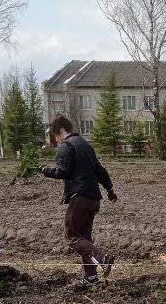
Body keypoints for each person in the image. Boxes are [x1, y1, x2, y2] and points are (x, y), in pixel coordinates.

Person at [41, 114, 117, 286]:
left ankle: (103, 258)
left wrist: (45, 170)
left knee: (71, 237)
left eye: (54, 134)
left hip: (80, 198)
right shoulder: (86, 145)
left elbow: (62, 172)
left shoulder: (66, 146)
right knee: (84, 239)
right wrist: (110, 190)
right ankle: (91, 277)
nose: (55, 138)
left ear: (60, 130)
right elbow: (100, 171)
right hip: (94, 199)